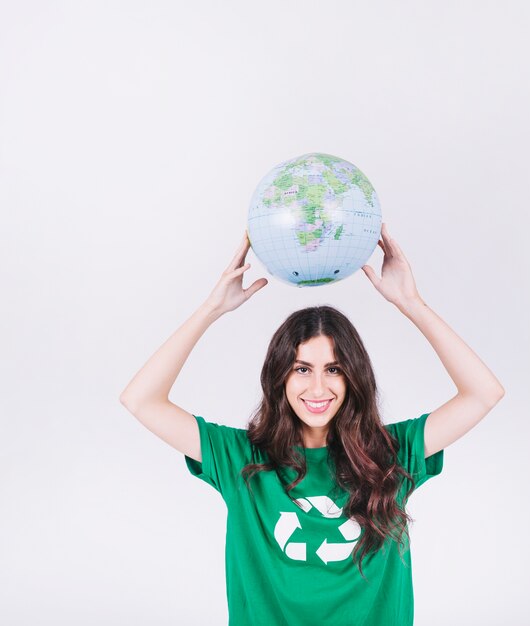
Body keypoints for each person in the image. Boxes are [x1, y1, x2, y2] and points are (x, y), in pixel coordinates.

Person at [120, 222, 505, 626]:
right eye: (302, 368)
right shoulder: (240, 459)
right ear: (280, 376)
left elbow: (483, 393)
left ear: (353, 375)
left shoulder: (392, 453)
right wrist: (211, 309)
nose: (318, 387)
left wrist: (411, 302)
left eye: (334, 369)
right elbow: (140, 399)